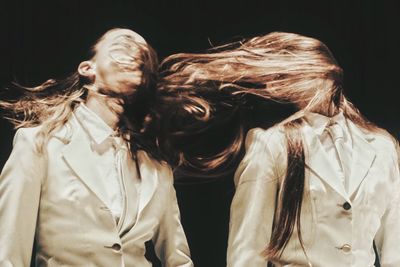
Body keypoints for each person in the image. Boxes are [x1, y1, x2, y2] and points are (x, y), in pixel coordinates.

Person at [155, 32, 400, 266]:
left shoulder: (382, 146)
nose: (275, 86)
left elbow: (394, 247)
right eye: (275, 79)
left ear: (323, 72)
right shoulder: (272, 144)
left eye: (285, 75)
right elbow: (247, 250)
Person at [0, 28, 193, 267]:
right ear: (87, 69)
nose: (134, 54)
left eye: (143, 57)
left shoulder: (157, 165)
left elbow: (179, 259)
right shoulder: (39, 144)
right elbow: (7, 255)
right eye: (121, 47)